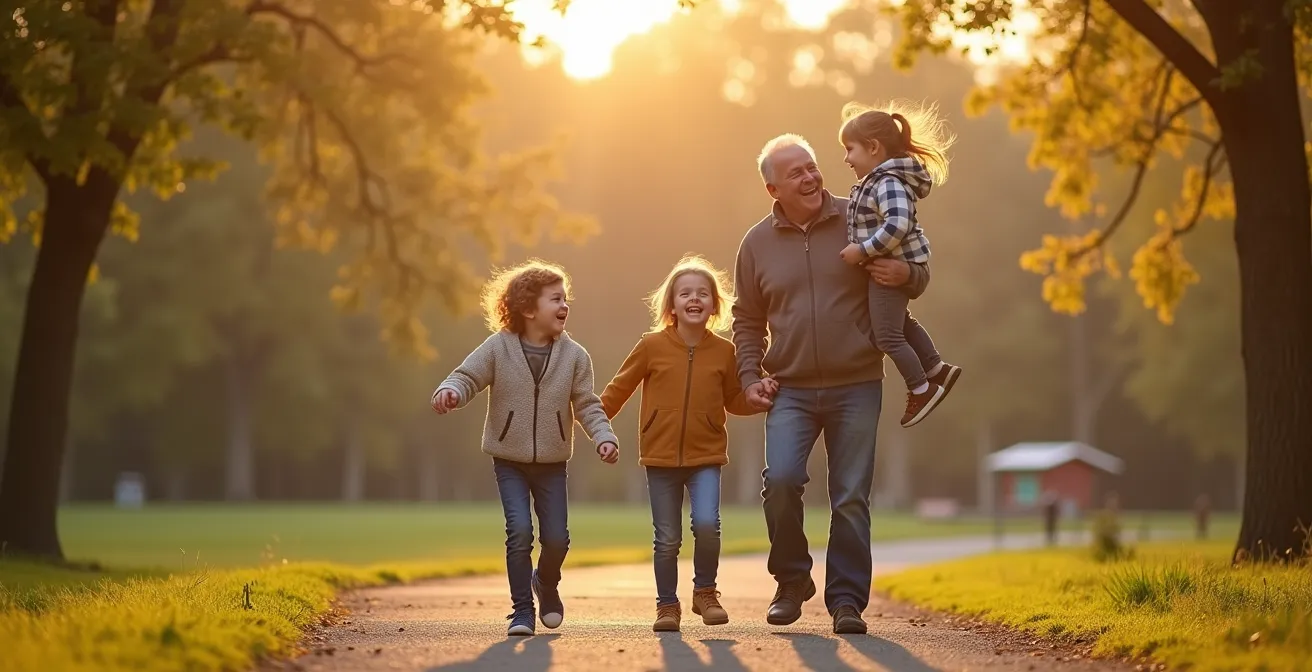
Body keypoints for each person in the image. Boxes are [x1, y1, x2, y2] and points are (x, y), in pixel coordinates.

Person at [731, 133, 925, 635]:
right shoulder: (755, 244)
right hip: (790, 387)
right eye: (795, 173)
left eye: (812, 166)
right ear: (774, 189)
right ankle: (792, 581)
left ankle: (846, 602)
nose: (811, 177)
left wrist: (905, 271)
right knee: (782, 481)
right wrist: (749, 376)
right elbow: (747, 319)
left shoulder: (859, 216)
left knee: (851, 496)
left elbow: (915, 277)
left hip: (858, 381)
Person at [431, 259, 620, 637]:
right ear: (528, 309)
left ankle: (545, 583)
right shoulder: (498, 348)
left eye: (565, 298)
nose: (564, 305)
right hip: (509, 461)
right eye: (555, 299)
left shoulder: (575, 357)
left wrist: (604, 436)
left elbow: (587, 404)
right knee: (519, 531)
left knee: (556, 539)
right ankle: (522, 611)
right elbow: (468, 376)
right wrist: (450, 390)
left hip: (552, 463)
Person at [601, 255, 766, 632]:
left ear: (713, 304)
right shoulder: (651, 346)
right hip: (659, 457)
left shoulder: (725, 351)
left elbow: (734, 400)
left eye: (703, 293)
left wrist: (755, 400)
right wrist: (596, 424)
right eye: (686, 293)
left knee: (707, 524)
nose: (695, 298)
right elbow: (618, 389)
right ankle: (667, 605)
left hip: (706, 455)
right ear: (672, 304)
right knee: (667, 539)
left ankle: (705, 593)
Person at [838, 101, 962, 427]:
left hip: (892, 266)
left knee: (887, 337)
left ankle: (921, 388)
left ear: (873, 148)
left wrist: (862, 250)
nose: (846, 158)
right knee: (901, 323)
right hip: (893, 264)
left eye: (850, 149)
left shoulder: (887, 182)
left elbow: (898, 225)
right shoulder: (880, 180)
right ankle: (936, 368)